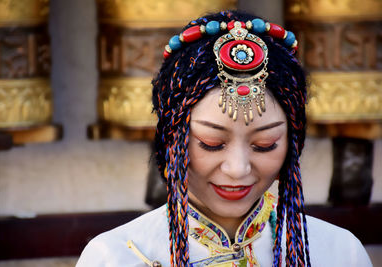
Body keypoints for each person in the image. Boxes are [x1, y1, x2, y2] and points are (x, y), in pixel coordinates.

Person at [76, 10, 372, 267]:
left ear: (292, 143)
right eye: (211, 143)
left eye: (265, 145)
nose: (238, 168)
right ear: (172, 140)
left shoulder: (338, 253)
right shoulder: (116, 257)